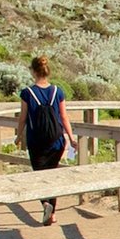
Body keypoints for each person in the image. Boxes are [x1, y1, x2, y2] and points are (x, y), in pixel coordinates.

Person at [19, 54, 74, 224]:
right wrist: (71, 138)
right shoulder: (58, 92)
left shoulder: (27, 93)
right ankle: (53, 212)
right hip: (56, 141)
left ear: (33, 71)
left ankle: (45, 204)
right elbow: (64, 117)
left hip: (36, 142)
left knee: (39, 176)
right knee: (53, 175)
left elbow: (23, 117)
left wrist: (18, 135)